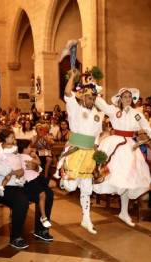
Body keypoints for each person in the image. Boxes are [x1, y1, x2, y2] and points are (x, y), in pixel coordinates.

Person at [93, 87, 151, 227]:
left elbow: (146, 126)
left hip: (130, 146)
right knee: (115, 175)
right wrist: (94, 90)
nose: (127, 99)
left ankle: (124, 212)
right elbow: (101, 104)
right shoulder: (114, 110)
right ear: (120, 98)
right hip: (115, 143)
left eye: (129, 96)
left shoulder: (136, 113)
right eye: (125, 96)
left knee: (128, 178)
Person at [0, 130, 54, 249]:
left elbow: (28, 164)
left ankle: (41, 230)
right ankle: (16, 237)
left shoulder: (15, 150)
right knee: (21, 200)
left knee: (48, 194)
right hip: (2, 186)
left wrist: (36, 167)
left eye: (13, 138)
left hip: (21, 184)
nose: (13, 140)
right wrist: (13, 171)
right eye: (10, 138)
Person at [57, 70, 104, 234]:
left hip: (89, 154)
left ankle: (86, 219)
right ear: (83, 96)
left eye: (93, 97)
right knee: (70, 186)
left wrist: (97, 153)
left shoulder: (99, 115)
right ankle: (62, 178)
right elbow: (67, 93)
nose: (91, 100)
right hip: (75, 151)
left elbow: (98, 135)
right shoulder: (75, 108)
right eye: (88, 97)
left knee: (86, 188)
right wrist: (72, 77)